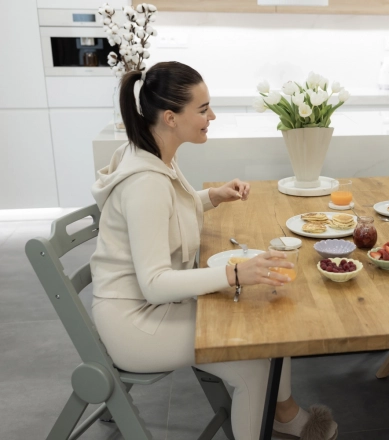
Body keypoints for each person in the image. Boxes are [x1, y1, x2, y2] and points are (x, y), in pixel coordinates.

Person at [90, 62, 338, 440]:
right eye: (203, 110)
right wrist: (237, 273)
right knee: (256, 367)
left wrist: (210, 198)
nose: (212, 116)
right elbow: (155, 283)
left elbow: (165, 215)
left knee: (268, 320)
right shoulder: (145, 183)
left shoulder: (155, 155)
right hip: (135, 322)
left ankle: (283, 415)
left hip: (152, 304)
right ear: (171, 118)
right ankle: (280, 416)